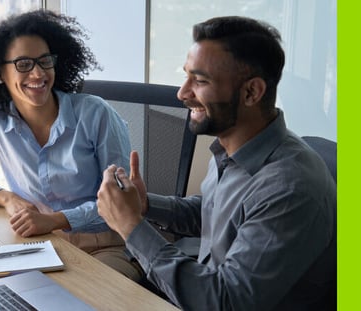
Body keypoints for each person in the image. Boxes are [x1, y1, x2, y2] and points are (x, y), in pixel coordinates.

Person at [97, 16, 336, 310]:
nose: (182, 93)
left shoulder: (292, 187)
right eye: (186, 76)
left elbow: (226, 302)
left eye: (199, 81)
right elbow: (214, 212)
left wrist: (131, 227)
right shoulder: (233, 147)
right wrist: (146, 206)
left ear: (251, 92)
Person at [0, 10, 143, 282]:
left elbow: (123, 204)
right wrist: (7, 198)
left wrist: (56, 220)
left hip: (107, 245)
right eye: (23, 64)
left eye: (45, 61)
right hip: (41, 246)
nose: (38, 73)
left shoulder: (95, 114)